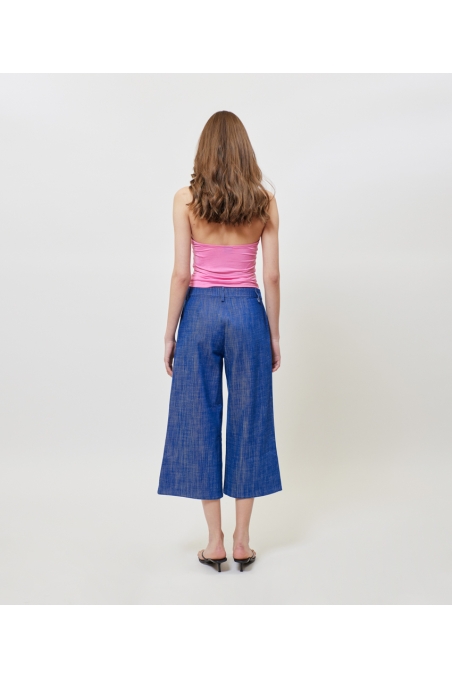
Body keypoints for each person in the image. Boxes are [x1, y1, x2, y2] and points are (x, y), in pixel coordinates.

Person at [158, 111, 282, 572]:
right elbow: (271, 275)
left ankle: (214, 543)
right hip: (248, 313)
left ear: (204, 152)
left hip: (200, 313)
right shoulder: (264, 202)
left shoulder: (185, 200)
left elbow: (181, 274)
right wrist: (273, 333)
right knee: (250, 419)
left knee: (198, 417)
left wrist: (170, 333)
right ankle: (243, 542)